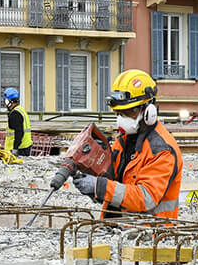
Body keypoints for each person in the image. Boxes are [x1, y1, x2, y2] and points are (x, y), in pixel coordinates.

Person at [71, 69, 183, 220]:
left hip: (151, 234)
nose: (122, 119)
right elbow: (116, 187)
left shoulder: (162, 149)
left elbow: (145, 198)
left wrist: (99, 186)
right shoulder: (123, 140)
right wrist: (91, 178)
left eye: (128, 112)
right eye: (118, 113)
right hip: (118, 228)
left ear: (149, 110)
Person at [2, 87, 33, 157]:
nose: (5, 103)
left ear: (11, 101)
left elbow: (19, 131)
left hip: (19, 149)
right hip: (25, 146)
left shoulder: (15, 114)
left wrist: (15, 148)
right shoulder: (21, 110)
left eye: (6, 101)